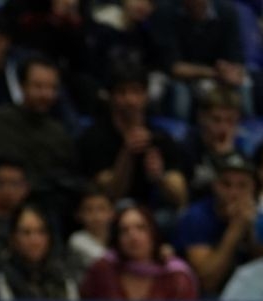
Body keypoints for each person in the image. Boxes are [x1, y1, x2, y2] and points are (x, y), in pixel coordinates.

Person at [81, 202, 208, 301]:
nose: (133, 236)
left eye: (141, 228)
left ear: (153, 233)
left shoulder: (176, 276)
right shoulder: (104, 270)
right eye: (124, 231)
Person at [0, 59, 78, 212]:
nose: (46, 94)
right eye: (38, 86)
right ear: (22, 86)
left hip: (43, 212)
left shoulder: (59, 134)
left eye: (52, 88)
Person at [77, 66, 189, 215]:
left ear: (146, 96)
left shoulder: (159, 137)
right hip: (112, 215)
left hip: (152, 214)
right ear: (110, 97)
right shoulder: (94, 138)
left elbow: (181, 198)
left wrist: (160, 177)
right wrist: (127, 153)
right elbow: (109, 196)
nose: (130, 100)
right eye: (122, 92)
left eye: (136, 91)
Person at [0, 202, 91, 301]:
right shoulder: (4, 276)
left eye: (41, 232)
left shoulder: (62, 275)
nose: (34, 240)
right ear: (13, 238)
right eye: (26, 233)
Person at [177, 151, 261, 295]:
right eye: (226, 184)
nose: (233, 193)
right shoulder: (196, 217)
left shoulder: (261, 215)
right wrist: (236, 229)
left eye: (242, 186)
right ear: (215, 185)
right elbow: (207, 283)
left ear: (252, 188)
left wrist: (252, 230)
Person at [155, 0, 252, 119]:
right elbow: (174, 67)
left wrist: (231, 71)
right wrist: (214, 73)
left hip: (215, 75)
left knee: (244, 86)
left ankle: (244, 130)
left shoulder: (227, 12)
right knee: (181, 94)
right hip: (181, 78)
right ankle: (181, 134)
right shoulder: (166, 11)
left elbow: (236, 59)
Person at [67, 187, 117, 276]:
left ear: (112, 213)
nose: (96, 216)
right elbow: (106, 263)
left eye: (101, 209)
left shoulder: (118, 237)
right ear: (79, 214)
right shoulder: (77, 240)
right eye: (89, 210)